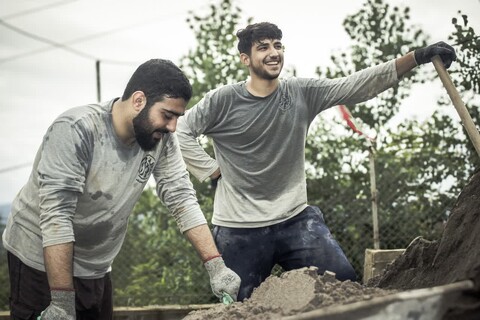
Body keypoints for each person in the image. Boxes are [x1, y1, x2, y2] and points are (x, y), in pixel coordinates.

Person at [176, 22, 457, 301]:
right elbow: (181, 130)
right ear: (245, 59)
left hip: (296, 219)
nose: (273, 53)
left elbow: (355, 86)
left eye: (277, 45)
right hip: (238, 228)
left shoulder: (300, 92)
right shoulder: (223, 100)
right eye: (263, 47)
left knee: (345, 290)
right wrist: (211, 169)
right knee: (236, 303)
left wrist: (416, 57)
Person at [2, 59, 241, 320]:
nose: (173, 127)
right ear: (139, 101)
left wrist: (216, 267)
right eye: (167, 115)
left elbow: (181, 197)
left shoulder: (162, 140)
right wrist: (61, 301)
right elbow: (56, 216)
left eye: (177, 118)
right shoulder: (76, 130)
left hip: (96, 265)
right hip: (39, 260)